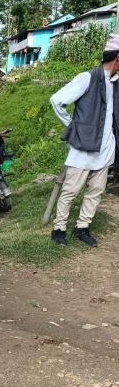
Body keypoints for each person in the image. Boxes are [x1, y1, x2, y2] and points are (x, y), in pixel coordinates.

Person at [50, 39, 119, 247]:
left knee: (95, 191)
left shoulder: (114, 84)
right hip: (83, 148)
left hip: (105, 149)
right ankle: (59, 229)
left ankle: (82, 227)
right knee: (70, 191)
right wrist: (74, 126)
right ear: (117, 57)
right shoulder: (87, 77)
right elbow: (57, 100)